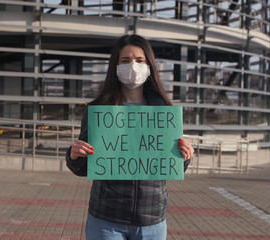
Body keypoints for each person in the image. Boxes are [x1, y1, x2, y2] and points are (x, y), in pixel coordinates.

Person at [66, 34, 194, 240]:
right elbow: (83, 167)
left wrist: (185, 157)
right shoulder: (100, 111)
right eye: (125, 61)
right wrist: (73, 155)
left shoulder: (163, 112)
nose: (133, 66)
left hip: (151, 220)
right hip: (106, 220)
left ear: (149, 65)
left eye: (139, 60)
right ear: (115, 66)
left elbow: (169, 163)